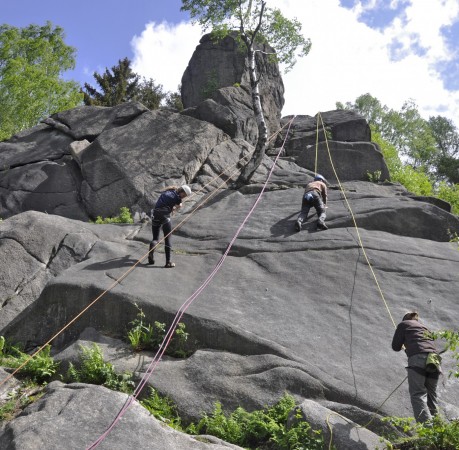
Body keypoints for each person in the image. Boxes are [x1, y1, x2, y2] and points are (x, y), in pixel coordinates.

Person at [391, 311, 441, 423]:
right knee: (431, 396)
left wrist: (404, 344)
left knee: (418, 394)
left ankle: (427, 432)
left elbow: (395, 346)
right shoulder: (425, 328)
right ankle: (438, 430)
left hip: (418, 359)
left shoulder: (403, 324)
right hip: (434, 360)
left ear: (405, 319)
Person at [148, 185, 192, 268]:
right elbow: (178, 205)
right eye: (185, 195)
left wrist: (173, 207)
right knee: (167, 238)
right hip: (164, 215)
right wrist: (179, 205)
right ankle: (168, 262)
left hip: (155, 214)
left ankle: (151, 254)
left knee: (155, 239)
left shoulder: (167, 192)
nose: (184, 197)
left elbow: (167, 203)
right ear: (182, 192)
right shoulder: (178, 198)